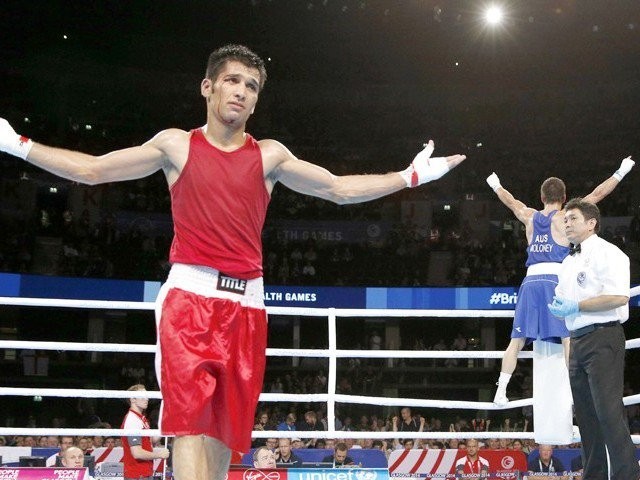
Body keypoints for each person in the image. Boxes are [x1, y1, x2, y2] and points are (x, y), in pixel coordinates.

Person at [0, 44, 465, 480]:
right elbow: (93, 169)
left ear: (256, 102)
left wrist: (410, 176)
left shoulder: (269, 156)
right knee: (187, 422)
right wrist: (18, 144)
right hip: (190, 299)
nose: (241, 91)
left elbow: (338, 188)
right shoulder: (175, 146)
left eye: (251, 86)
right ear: (208, 87)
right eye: (232, 80)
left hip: (248, 306)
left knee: (225, 432)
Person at [486, 157, 634, 405]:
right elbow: (597, 194)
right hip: (557, 280)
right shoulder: (567, 217)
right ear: (564, 197)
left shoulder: (529, 216)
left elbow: (511, 201)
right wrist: (621, 172)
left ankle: (501, 392)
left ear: (541, 197)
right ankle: (576, 393)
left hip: (530, 281)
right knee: (568, 338)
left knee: (517, 340)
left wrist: (495, 185)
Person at [548, 198, 640, 480]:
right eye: (565, 220)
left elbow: (618, 297)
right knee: (586, 419)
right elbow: (564, 302)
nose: (567, 223)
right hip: (577, 341)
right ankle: (595, 476)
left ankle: (627, 476)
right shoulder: (566, 262)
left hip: (603, 338)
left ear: (592, 224)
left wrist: (577, 307)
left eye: (573, 218)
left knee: (609, 414)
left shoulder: (610, 254)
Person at [120, 384, 170, 480]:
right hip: (137, 474)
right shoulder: (132, 420)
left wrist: (165, 426)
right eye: (143, 396)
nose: (147, 399)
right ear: (133, 399)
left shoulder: (141, 419)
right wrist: (159, 455)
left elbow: (151, 441)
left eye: (147, 395)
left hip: (144, 473)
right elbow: (137, 453)